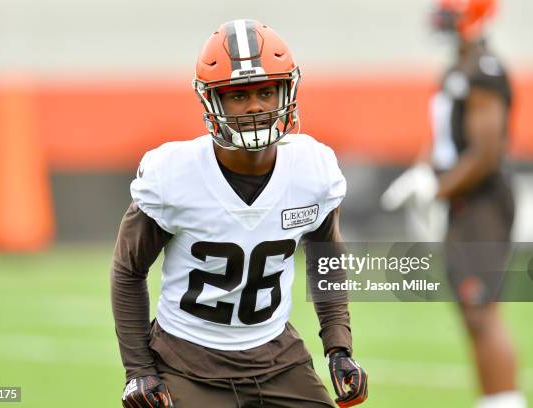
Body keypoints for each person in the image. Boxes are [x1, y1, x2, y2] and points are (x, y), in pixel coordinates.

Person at [111, 19, 368, 408]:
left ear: (287, 90)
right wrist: (139, 371)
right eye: (237, 95)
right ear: (212, 101)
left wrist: (339, 347)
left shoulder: (313, 170)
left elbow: (326, 259)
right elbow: (128, 270)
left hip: (276, 357)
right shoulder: (174, 175)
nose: (255, 107)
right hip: (187, 361)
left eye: (266, 91)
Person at [382, 1, 525, 407]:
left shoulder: (484, 69)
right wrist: (424, 171)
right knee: (470, 309)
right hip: (463, 201)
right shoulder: (458, 68)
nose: (444, 20)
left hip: (481, 202)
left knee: (482, 310)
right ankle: (492, 400)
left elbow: (486, 151)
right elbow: (448, 138)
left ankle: (505, 402)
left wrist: (437, 190)